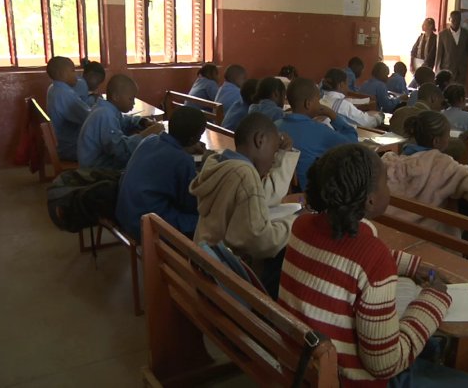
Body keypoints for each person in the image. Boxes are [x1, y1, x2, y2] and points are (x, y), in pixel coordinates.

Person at [279, 143, 468, 388]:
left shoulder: (303, 226)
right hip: (351, 380)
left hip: (302, 365)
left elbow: (349, 259)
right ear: (369, 201)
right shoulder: (371, 257)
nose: (389, 188)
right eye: (385, 183)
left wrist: (411, 265)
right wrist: (434, 298)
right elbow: (385, 365)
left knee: (427, 344)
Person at [190, 112, 300, 297]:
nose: (274, 159)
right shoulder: (244, 174)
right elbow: (262, 242)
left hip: (205, 265)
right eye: (274, 152)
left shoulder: (221, 163)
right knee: (282, 266)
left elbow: (263, 195)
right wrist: (295, 223)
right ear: (260, 140)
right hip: (222, 279)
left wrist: (284, 154)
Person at [382, 111, 468, 235]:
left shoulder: (389, 162)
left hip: (391, 231)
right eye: (447, 135)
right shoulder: (442, 165)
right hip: (429, 238)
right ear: (436, 141)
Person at [116, 106, 206, 242]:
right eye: (199, 136)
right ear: (192, 139)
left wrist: (187, 147)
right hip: (144, 226)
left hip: (124, 214)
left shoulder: (149, 140)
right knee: (204, 220)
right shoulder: (183, 161)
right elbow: (189, 205)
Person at [277, 78, 358, 189]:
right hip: (307, 196)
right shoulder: (319, 131)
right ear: (308, 104)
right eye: (318, 100)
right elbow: (353, 144)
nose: (319, 104)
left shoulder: (274, 125)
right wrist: (332, 115)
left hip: (279, 191)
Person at [77, 75, 164, 169]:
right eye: (131, 99)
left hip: (101, 162)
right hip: (96, 170)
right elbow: (121, 151)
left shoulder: (107, 109)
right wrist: (145, 135)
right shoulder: (105, 115)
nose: (133, 103)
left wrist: (142, 121)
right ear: (116, 97)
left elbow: (124, 121)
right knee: (150, 161)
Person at [45, 56, 91, 161]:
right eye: (73, 71)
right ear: (62, 74)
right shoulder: (64, 94)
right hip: (70, 147)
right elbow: (89, 117)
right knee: (108, 146)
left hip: (62, 143)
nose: (76, 75)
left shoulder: (53, 88)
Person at [435, 11, 468, 85]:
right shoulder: (442, 34)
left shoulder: (467, 34)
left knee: (459, 92)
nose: (455, 22)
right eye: (453, 20)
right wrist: (438, 71)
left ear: (460, 20)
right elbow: (439, 54)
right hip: (447, 70)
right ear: (449, 19)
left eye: (458, 20)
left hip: (461, 71)